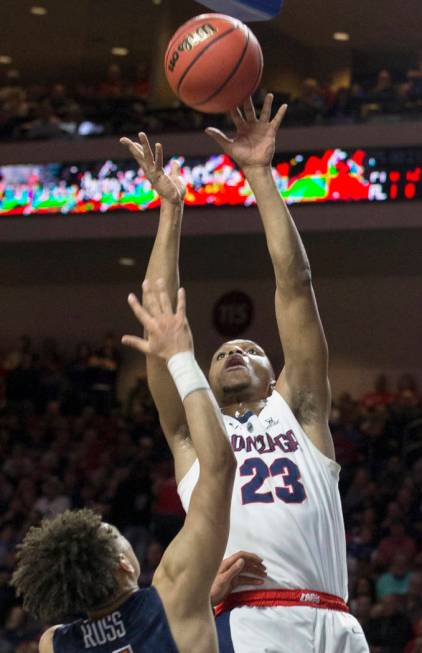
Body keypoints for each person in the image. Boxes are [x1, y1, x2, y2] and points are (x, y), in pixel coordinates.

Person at [120, 94, 369, 652]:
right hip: (252, 621)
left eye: (250, 349)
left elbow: (296, 284)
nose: (233, 352)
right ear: (201, 379)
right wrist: (171, 211)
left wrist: (259, 175)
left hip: (336, 620)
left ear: (275, 370)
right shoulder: (192, 435)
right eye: (221, 353)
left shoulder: (301, 409)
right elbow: (160, 320)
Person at [11, 281, 244, 653]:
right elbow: (219, 464)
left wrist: (198, 595)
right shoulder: (172, 594)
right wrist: (181, 357)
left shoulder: (53, 643)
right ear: (124, 564)